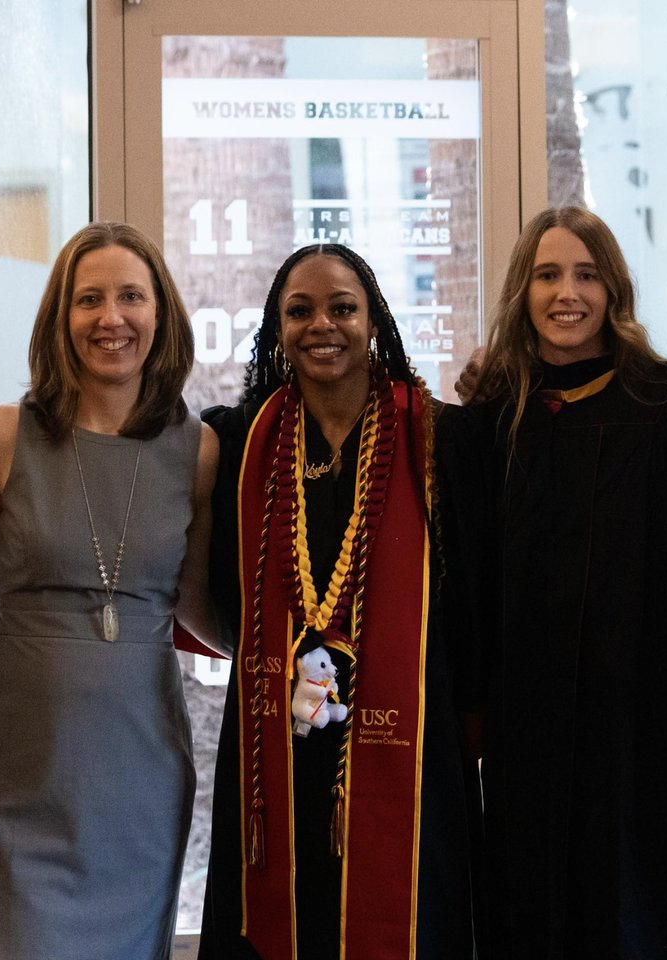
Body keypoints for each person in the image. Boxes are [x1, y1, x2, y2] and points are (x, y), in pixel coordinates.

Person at [463, 207, 667, 958]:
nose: (567, 293)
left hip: (652, 719)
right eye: (548, 274)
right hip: (534, 724)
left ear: (614, 289)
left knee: (650, 902)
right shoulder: (496, 420)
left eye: (587, 274)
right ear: (522, 291)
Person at [197, 244, 479, 959]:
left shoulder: (440, 440)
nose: (322, 325)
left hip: (409, 746)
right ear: (277, 328)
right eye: (300, 311)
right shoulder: (241, 445)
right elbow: (207, 589)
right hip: (279, 740)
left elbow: (476, 603)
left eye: (342, 308)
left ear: (374, 320)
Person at [0, 222, 219, 959]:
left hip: (141, 764)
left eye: (131, 296)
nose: (112, 318)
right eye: (90, 300)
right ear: (60, 319)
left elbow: (197, 607)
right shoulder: (2, 435)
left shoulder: (196, 448)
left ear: (160, 314)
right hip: (25, 759)